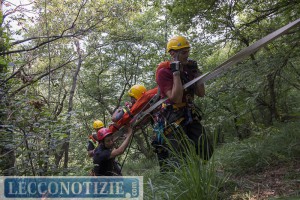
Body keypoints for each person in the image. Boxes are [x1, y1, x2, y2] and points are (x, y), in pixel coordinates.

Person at [155, 35, 214, 171]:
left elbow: (201, 93)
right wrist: (176, 73)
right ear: (172, 53)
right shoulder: (164, 72)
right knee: (182, 158)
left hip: (189, 113)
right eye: (183, 52)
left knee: (206, 148)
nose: (187, 55)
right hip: (172, 117)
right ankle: (188, 181)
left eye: (188, 51)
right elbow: (175, 98)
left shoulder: (189, 68)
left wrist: (196, 72)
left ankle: (200, 169)